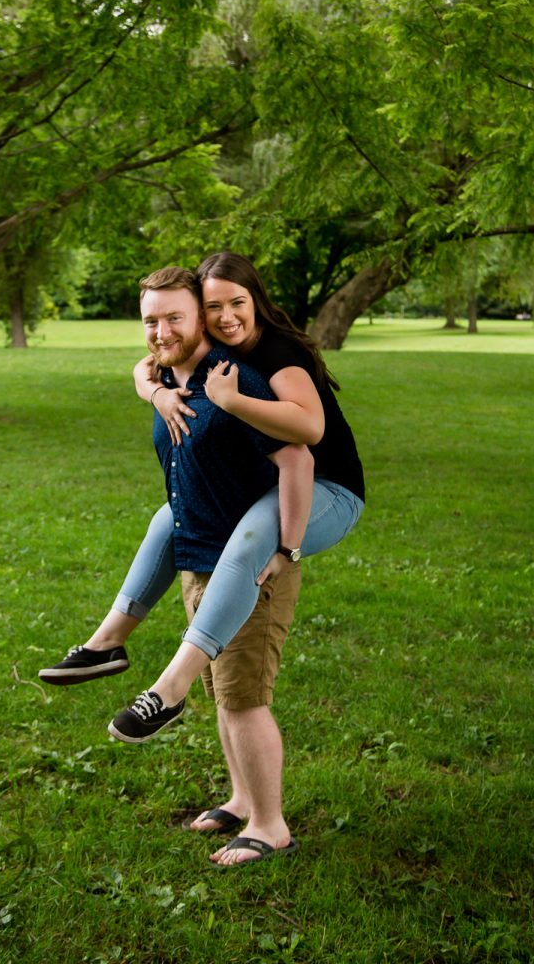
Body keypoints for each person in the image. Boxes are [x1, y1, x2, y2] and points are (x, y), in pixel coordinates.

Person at [107, 252, 364, 746]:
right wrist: (156, 394)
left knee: (251, 542)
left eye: (237, 303)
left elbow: (310, 432)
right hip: (275, 486)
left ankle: (170, 687)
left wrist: (230, 401)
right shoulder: (221, 352)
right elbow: (146, 365)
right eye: (213, 307)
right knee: (169, 517)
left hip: (330, 490)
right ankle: (108, 640)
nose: (226, 317)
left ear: (256, 300)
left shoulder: (274, 352)